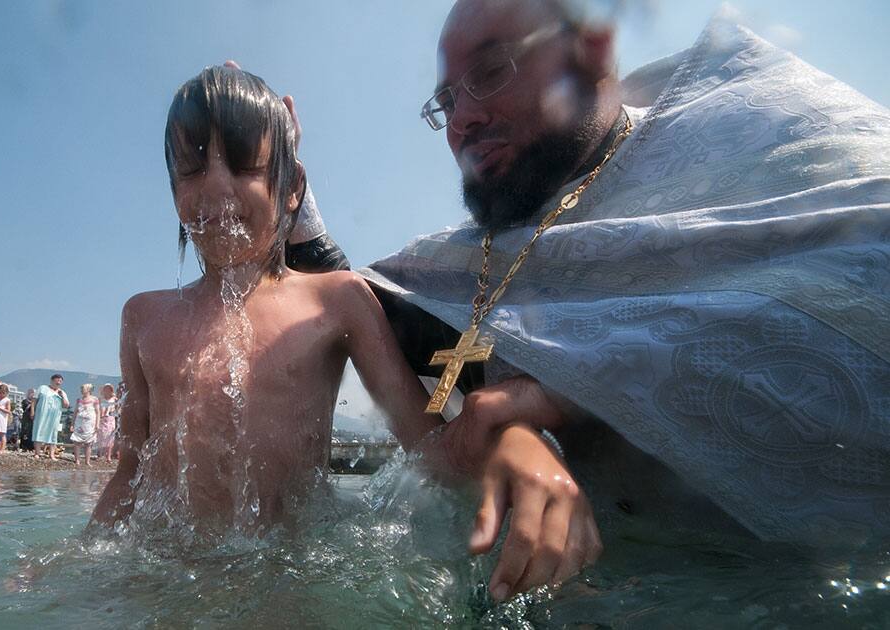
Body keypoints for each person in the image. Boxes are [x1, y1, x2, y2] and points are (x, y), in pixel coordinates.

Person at [350, 0, 890, 585]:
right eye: (448, 100)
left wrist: (572, 386)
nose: (462, 121)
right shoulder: (460, 259)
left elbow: (867, 276)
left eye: (489, 73)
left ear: (594, 51)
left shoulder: (760, 126)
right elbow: (343, 301)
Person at [89, 67, 578, 560]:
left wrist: (511, 444)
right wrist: (80, 559)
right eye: (191, 169)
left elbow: (427, 450)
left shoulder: (336, 301)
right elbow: (131, 471)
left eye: (243, 166)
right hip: (166, 580)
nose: (215, 187)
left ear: (293, 187)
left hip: (286, 581)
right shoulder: (144, 318)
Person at [33, 374, 70, 460]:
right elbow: (34, 400)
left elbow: (66, 405)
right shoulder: (42, 388)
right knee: (39, 431)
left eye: (61, 381)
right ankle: (37, 453)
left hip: (55, 416)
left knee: (53, 434)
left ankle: (52, 454)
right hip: (42, 414)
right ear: (52, 380)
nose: (59, 382)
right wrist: (32, 411)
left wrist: (62, 396)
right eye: (57, 380)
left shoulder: (62, 392)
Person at [70, 383, 100, 466]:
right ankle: (77, 460)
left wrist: (97, 424)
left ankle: (87, 461)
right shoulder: (79, 399)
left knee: (89, 443)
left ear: (89, 390)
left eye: (84, 388)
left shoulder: (95, 399)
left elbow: (98, 412)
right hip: (79, 423)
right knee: (77, 442)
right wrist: (72, 424)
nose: (82, 390)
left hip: (90, 423)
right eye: (82, 388)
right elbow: (75, 412)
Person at [96, 383, 118, 462]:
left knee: (110, 437)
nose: (107, 391)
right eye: (106, 389)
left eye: (109, 389)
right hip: (101, 419)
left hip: (110, 419)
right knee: (100, 436)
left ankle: (108, 456)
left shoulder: (115, 399)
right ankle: (100, 454)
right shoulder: (100, 399)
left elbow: (118, 408)